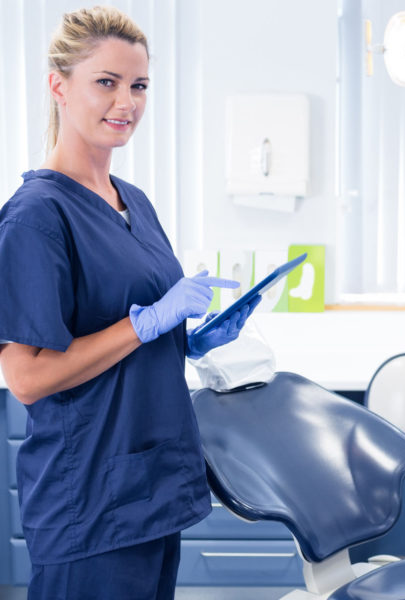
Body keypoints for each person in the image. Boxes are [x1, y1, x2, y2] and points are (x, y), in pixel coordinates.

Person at [0, 6, 259, 598]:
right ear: (58, 86)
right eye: (107, 83)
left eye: (139, 85)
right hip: (88, 499)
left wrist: (186, 339)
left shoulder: (132, 200)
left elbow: (127, 327)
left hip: (148, 487)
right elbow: (26, 377)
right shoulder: (37, 215)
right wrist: (144, 327)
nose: (127, 102)